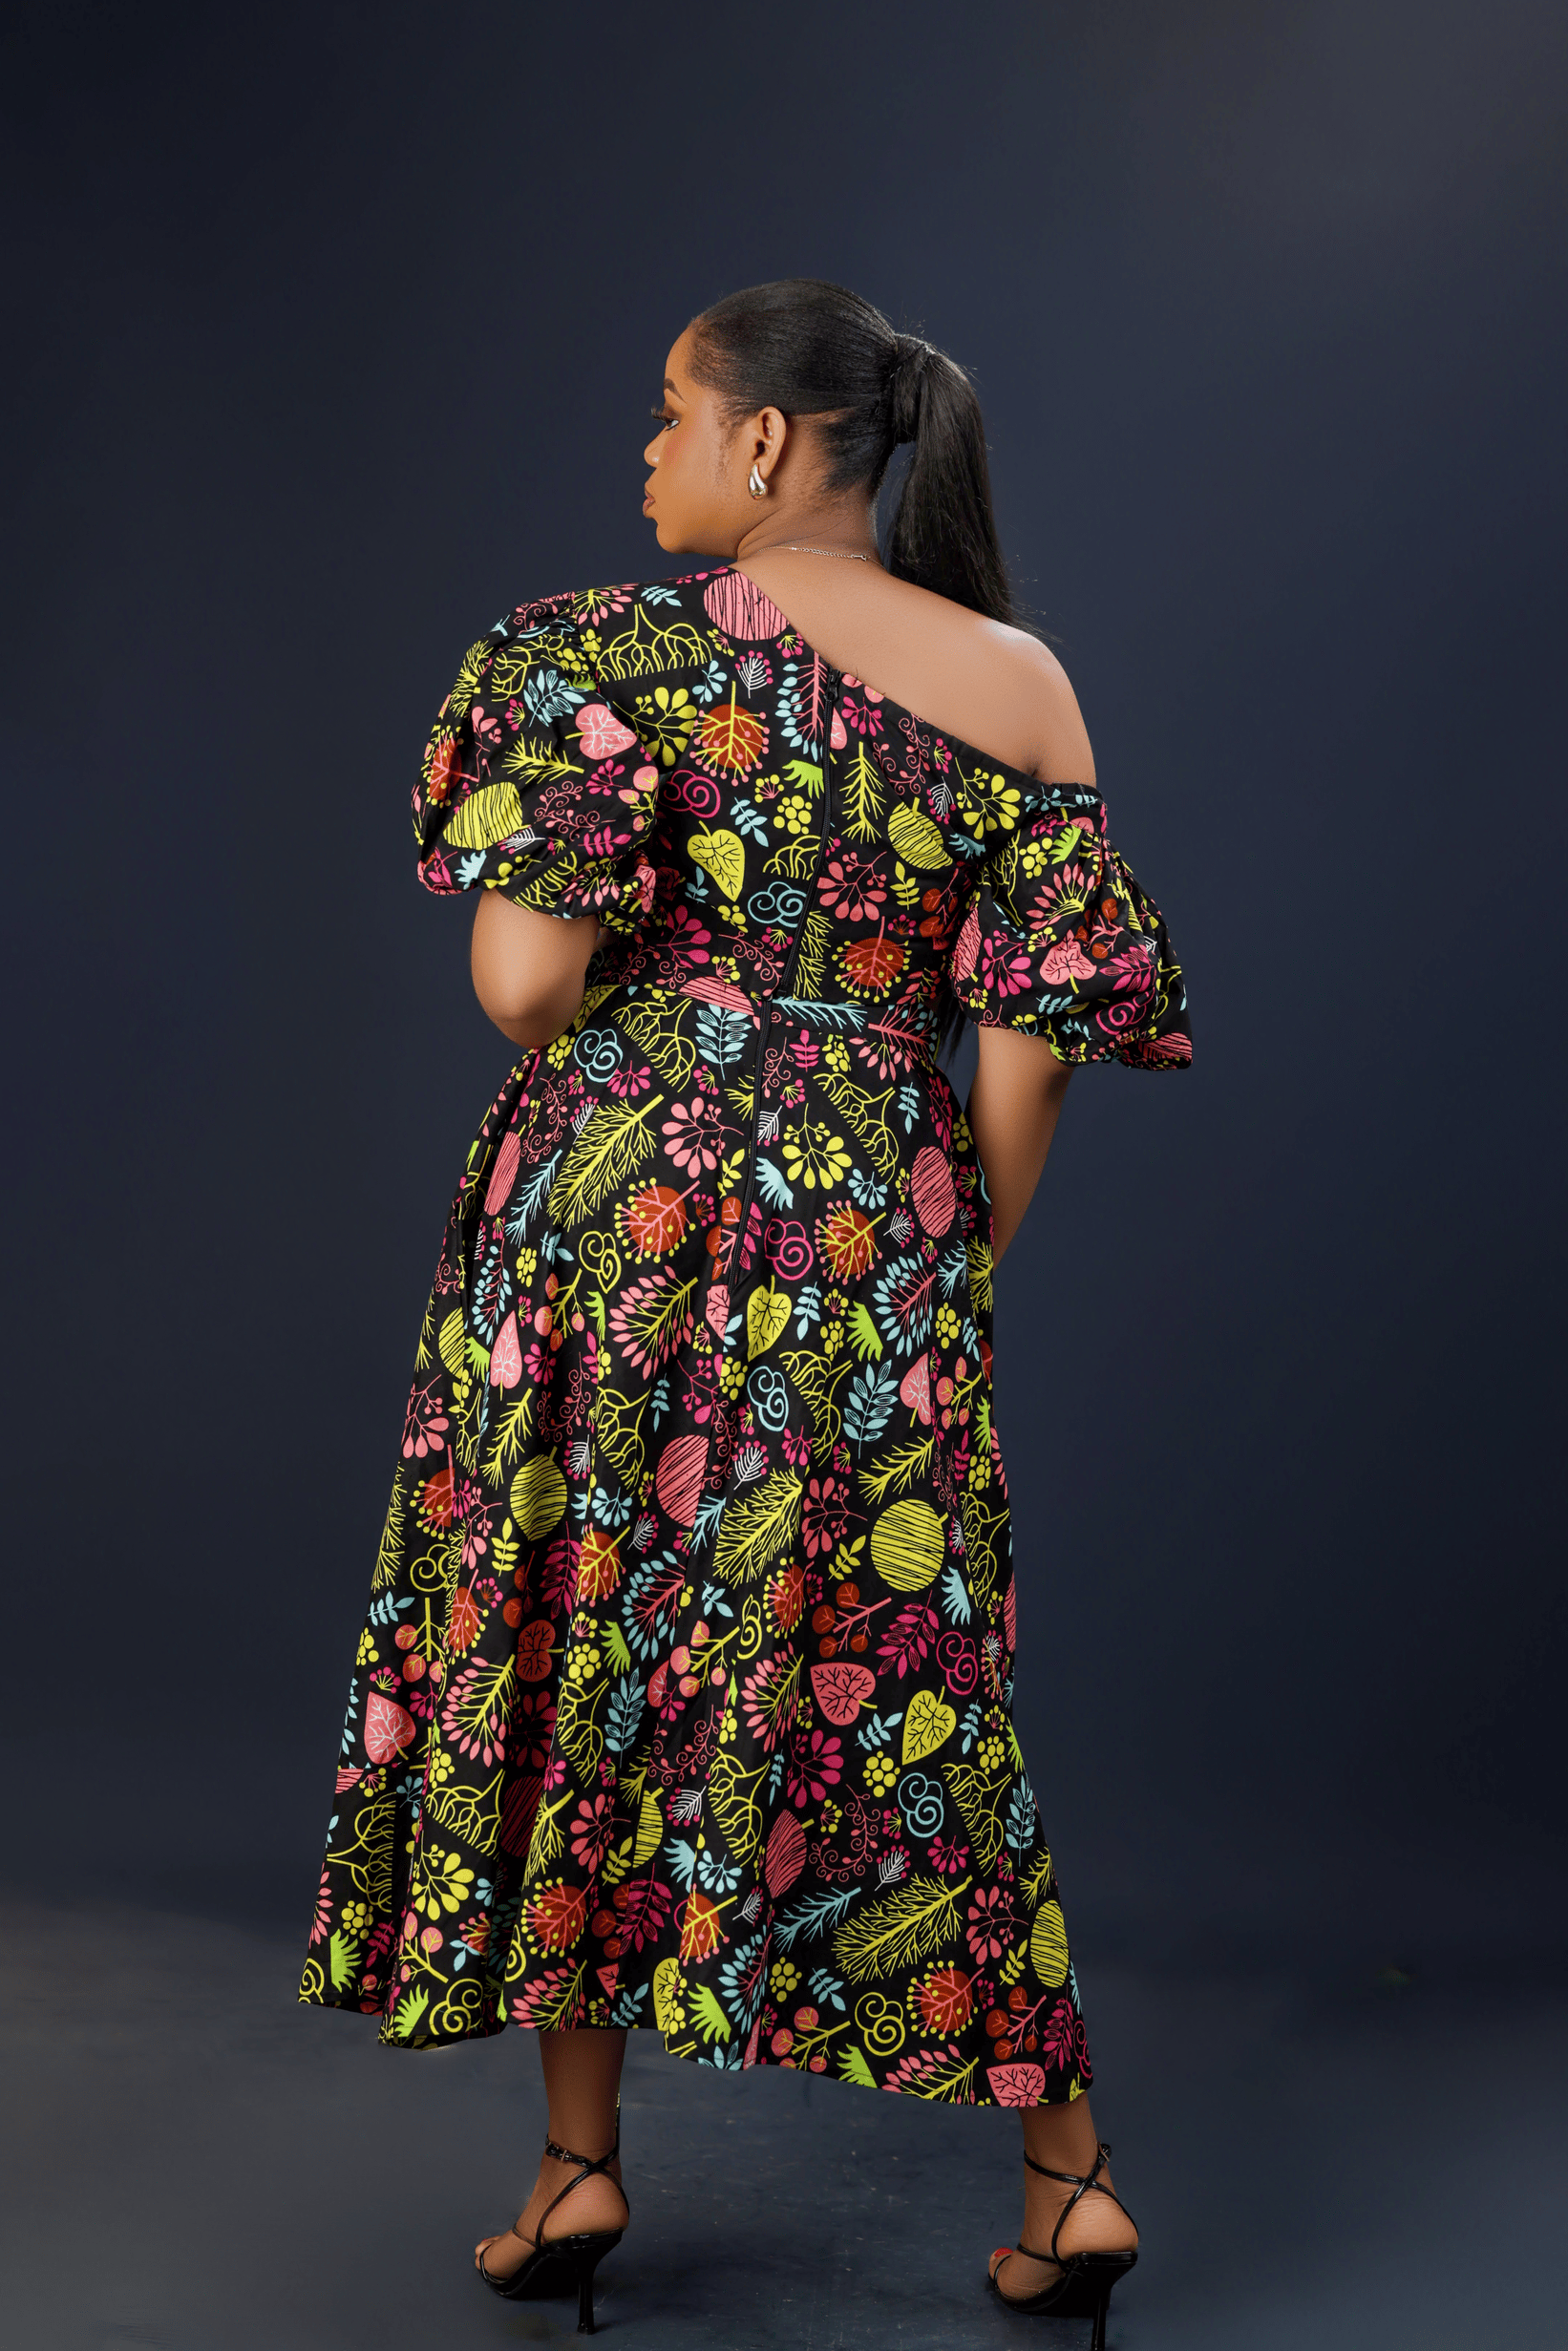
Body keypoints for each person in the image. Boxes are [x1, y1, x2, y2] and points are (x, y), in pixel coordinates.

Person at [300, 277, 1189, 2340]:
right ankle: (1070, 2188)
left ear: (768, 445)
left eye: (668, 414)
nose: (647, 450)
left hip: (604, 1217)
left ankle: (578, 2161)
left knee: (577, 1625)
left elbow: (523, 988)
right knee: (906, 1671)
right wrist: (936, 1263)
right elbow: (1027, 1053)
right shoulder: (1020, 683)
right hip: (870, 1227)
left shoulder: (595, 657)